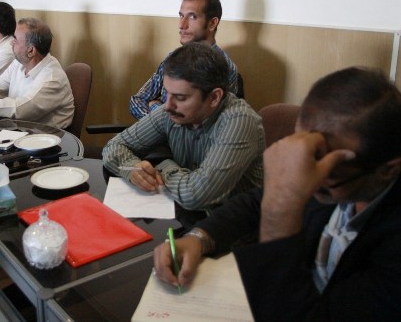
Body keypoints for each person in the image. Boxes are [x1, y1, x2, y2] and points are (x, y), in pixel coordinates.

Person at [153, 67, 401, 321]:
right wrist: (198, 238)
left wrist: (283, 207)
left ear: (387, 169)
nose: (309, 169)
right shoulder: (338, 183)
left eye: (329, 165)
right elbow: (253, 203)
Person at [103, 43, 263, 224]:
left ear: (214, 97)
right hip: (189, 217)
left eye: (180, 97)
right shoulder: (171, 110)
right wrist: (133, 169)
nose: (167, 105)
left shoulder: (239, 121)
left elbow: (196, 195)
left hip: (236, 228)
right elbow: (114, 146)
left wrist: (163, 166)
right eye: (167, 93)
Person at [129, 0, 239, 120]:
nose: (181, 25)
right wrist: (160, 122)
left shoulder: (224, 67)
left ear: (212, 23)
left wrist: (154, 106)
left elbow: (201, 124)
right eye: (181, 16)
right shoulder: (172, 58)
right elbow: (137, 101)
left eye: (192, 17)